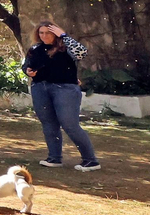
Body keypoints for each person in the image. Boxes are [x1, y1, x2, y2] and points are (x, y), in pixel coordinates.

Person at [23, 21, 100, 171]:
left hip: (65, 88)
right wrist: (27, 70)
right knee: (49, 124)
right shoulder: (35, 48)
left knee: (69, 124)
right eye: (41, 33)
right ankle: (54, 158)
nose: (44, 36)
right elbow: (27, 64)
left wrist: (64, 36)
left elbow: (81, 52)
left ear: (56, 33)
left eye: (48, 32)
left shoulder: (65, 48)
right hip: (40, 88)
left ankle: (91, 160)